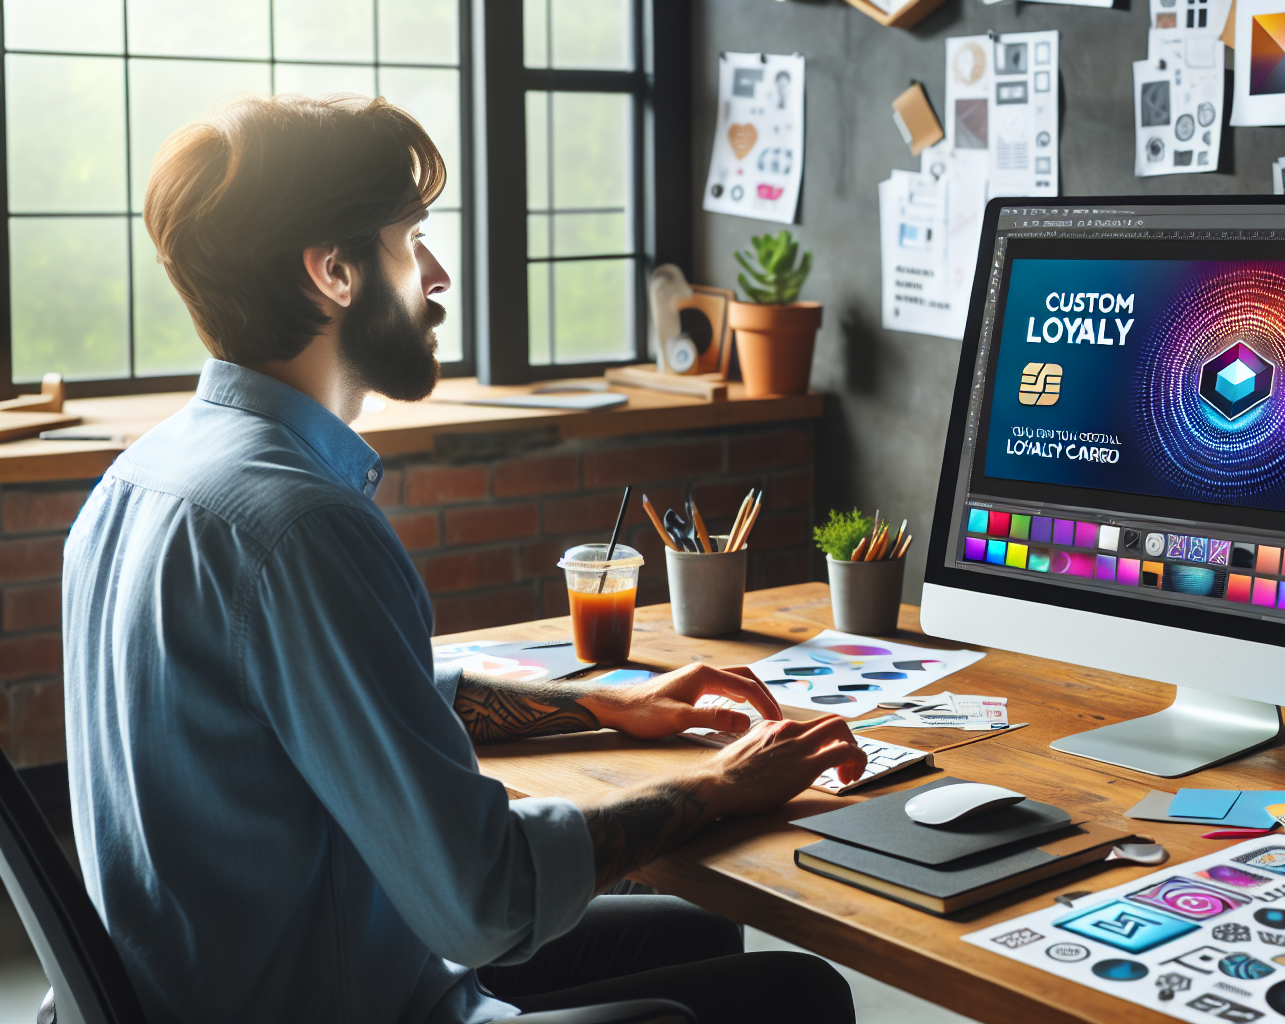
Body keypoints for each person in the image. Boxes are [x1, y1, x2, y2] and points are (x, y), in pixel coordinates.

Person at [61, 93, 866, 1024]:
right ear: (334, 271)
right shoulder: (302, 528)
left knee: (691, 933)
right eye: (413, 238)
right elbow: (484, 901)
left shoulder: (139, 480)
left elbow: (351, 702)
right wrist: (719, 786)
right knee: (797, 994)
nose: (438, 272)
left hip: (236, 981)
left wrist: (599, 703)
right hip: (343, 1001)